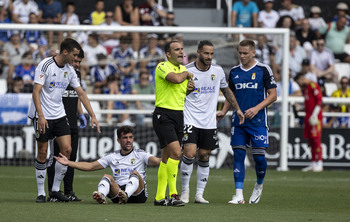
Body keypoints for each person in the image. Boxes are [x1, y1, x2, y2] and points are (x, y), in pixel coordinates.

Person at [27, 38, 101, 203]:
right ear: (65, 52)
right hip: (42, 114)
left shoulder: (70, 70)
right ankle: (40, 193)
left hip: (59, 114)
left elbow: (81, 93)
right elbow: (36, 92)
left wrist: (92, 115)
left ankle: (54, 190)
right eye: (74, 55)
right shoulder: (46, 65)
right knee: (42, 152)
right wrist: (40, 115)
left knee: (67, 150)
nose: (76, 60)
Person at [180, 40, 244, 204]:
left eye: (211, 54)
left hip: (209, 121)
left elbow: (226, 90)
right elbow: (177, 95)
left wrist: (236, 108)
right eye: (206, 53)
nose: (209, 57)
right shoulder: (186, 71)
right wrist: (186, 91)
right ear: (199, 52)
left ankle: (199, 194)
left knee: (204, 155)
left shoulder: (218, 71)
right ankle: (185, 191)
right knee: (189, 153)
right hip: (190, 118)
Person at [217, 39, 277, 204]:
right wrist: (223, 111)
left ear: (253, 52)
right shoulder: (235, 71)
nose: (242, 56)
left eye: (245, 53)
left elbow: (273, 95)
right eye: (240, 53)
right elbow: (231, 96)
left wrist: (257, 108)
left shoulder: (263, 69)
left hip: (258, 122)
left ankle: (259, 185)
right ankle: (238, 195)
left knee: (259, 159)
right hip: (239, 121)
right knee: (238, 155)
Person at [54, 125, 161, 204]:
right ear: (118, 140)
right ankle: (101, 196)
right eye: (125, 138)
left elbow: (157, 161)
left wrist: (171, 155)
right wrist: (68, 163)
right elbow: (91, 166)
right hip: (118, 193)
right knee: (106, 177)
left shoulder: (140, 154)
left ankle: (126, 195)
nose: (128, 141)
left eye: (130, 137)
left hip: (138, 195)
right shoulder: (112, 156)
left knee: (135, 174)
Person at [152, 40, 194, 207]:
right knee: (177, 153)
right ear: (168, 54)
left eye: (182, 49)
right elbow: (176, 80)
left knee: (166, 157)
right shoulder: (162, 66)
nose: (181, 52)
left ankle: (159, 198)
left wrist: (189, 88)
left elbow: (182, 93)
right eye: (177, 49)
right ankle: (174, 195)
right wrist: (187, 75)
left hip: (178, 115)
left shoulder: (183, 70)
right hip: (163, 115)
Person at [46, 48, 86, 202]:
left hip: (72, 122)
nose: (76, 64)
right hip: (58, 122)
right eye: (75, 60)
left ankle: (68, 191)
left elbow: (76, 96)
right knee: (55, 157)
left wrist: (81, 114)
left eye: (79, 62)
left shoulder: (76, 74)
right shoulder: (57, 73)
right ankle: (52, 193)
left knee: (71, 158)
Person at [294, 73, 323, 172]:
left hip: (315, 118)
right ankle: (313, 162)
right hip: (308, 117)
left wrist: (314, 115)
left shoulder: (313, 85)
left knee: (316, 140)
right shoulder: (305, 89)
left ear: (303, 78)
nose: (299, 84)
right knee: (310, 140)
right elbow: (309, 103)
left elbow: (319, 101)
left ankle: (320, 162)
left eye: (299, 82)